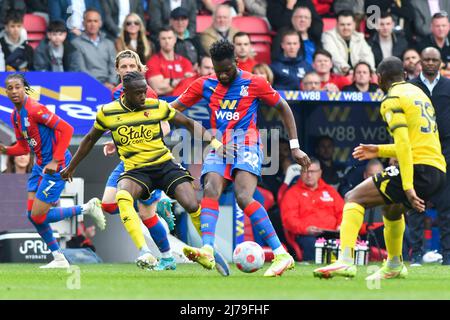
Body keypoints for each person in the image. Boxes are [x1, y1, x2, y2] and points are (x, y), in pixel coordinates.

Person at [170, 39, 311, 277]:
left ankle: (281, 254)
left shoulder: (254, 82)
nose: (223, 75)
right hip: (219, 145)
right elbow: (172, 109)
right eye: (218, 70)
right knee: (210, 189)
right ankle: (207, 248)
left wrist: (295, 147)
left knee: (243, 197)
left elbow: (283, 107)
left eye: (227, 70)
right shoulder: (204, 84)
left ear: (237, 62)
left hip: (247, 143)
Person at [60, 71, 223, 269]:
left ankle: (208, 250)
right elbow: (89, 139)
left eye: (144, 92)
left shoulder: (156, 106)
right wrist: (71, 167)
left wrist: (214, 142)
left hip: (163, 165)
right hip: (137, 171)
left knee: (190, 203)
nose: (143, 97)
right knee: (122, 195)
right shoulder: (108, 112)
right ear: (125, 93)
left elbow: (188, 123)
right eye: (138, 93)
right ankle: (144, 251)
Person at [313, 56, 447, 280]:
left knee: (353, 197)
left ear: (379, 79)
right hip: (438, 168)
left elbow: (404, 144)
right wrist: (379, 150)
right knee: (392, 209)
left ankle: (345, 261)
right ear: (404, 76)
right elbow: (416, 142)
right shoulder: (419, 94)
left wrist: (408, 187)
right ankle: (394, 264)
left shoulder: (392, 99)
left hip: (418, 168)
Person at [0, 73, 106, 269]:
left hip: (56, 165)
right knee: (32, 215)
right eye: (10, 88)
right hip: (40, 165)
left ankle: (87, 208)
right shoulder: (15, 116)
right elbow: (23, 148)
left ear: (24, 88)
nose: (14, 91)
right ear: (6, 91)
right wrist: (6, 149)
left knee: (39, 215)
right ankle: (59, 259)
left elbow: (67, 129)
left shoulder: (36, 109)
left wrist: (56, 160)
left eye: (17, 87)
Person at [103, 49, 177, 271]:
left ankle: (167, 257)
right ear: (117, 70)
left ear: (139, 68)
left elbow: (164, 124)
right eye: (123, 67)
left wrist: (154, 140)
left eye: (131, 67)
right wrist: (114, 142)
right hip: (127, 158)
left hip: (147, 161)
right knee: (108, 204)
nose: (127, 70)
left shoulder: (148, 92)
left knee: (146, 214)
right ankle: (158, 200)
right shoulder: (117, 93)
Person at [408, 47, 450, 266]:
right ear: (420, 63)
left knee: (447, 208)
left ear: (441, 62)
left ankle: (448, 256)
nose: (431, 63)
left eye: (435, 60)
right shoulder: (411, 87)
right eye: (427, 60)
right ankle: (414, 255)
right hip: (419, 153)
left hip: (446, 153)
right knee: (416, 206)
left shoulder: (448, 86)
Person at [280, 158, 344, 262]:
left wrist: (341, 225)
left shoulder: (330, 191)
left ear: (320, 173)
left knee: (346, 243)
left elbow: (343, 212)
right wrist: (306, 229)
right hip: (306, 236)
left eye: (313, 172)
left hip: (332, 234)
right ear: (301, 173)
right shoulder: (292, 193)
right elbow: (289, 220)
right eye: (306, 171)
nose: (309, 175)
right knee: (312, 244)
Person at [71, 8, 117, 90]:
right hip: (88, 86)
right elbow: (80, 70)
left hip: (110, 86)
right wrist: (100, 85)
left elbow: (114, 67)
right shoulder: (76, 43)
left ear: (100, 23)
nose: (92, 24)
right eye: (89, 21)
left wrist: (111, 83)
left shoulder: (109, 43)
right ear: (83, 23)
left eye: (95, 21)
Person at [321, 10, 375, 75]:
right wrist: (347, 70)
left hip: (358, 75)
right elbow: (334, 55)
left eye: (348, 24)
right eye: (342, 24)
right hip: (338, 75)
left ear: (354, 25)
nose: (345, 27)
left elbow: (367, 55)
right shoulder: (328, 36)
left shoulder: (359, 37)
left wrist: (369, 70)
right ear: (337, 24)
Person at [145, 27, 194, 96]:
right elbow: (158, 88)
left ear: (175, 39)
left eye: (169, 38)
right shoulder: (152, 62)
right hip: (163, 102)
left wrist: (169, 82)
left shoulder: (185, 61)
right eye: (163, 38)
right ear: (159, 40)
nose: (167, 41)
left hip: (184, 102)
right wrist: (182, 80)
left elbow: (190, 86)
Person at [418, 11, 450, 75]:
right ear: (431, 27)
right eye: (437, 26)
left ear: (449, 26)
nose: (441, 29)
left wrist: (444, 65)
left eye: (444, 25)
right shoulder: (422, 44)